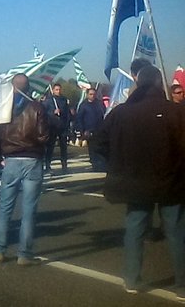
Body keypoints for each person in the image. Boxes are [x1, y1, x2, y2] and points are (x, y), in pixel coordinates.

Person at [91, 65, 185, 298]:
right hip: (170, 182)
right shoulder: (176, 112)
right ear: (158, 84)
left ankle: (132, 279)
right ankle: (182, 284)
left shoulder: (122, 113)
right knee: (176, 233)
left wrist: (117, 162)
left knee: (135, 231)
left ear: (138, 84)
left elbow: (98, 143)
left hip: (135, 181)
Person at [0, 73, 49, 265]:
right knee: (29, 210)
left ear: (13, 87)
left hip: (11, 160)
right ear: (28, 87)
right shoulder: (37, 107)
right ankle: (24, 254)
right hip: (32, 160)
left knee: (5, 208)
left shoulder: (3, 108)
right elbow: (43, 136)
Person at [75, 88, 107, 171]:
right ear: (87, 95)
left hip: (99, 130)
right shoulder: (83, 105)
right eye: (91, 94)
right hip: (89, 131)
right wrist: (81, 131)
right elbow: (79, 119)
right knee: (92, 149)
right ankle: (95, 165)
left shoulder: (99, 104)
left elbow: (104, 113)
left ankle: (101, 165)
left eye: (94, 94)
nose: (92, 96)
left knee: (100, 148)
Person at [43, 83, 71, 172]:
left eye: (59, 89)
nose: (58, 91)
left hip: (62, 127)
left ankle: (64, 166)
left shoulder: (64, 100)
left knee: (63, 147)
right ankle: (47, 165)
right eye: (56, 90)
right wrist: (52, 112)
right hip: (52, 127)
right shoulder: (48, 101)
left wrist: (67, 125)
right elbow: (44, 114)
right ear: (53, 90)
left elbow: (67, 113)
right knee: (50, 147)